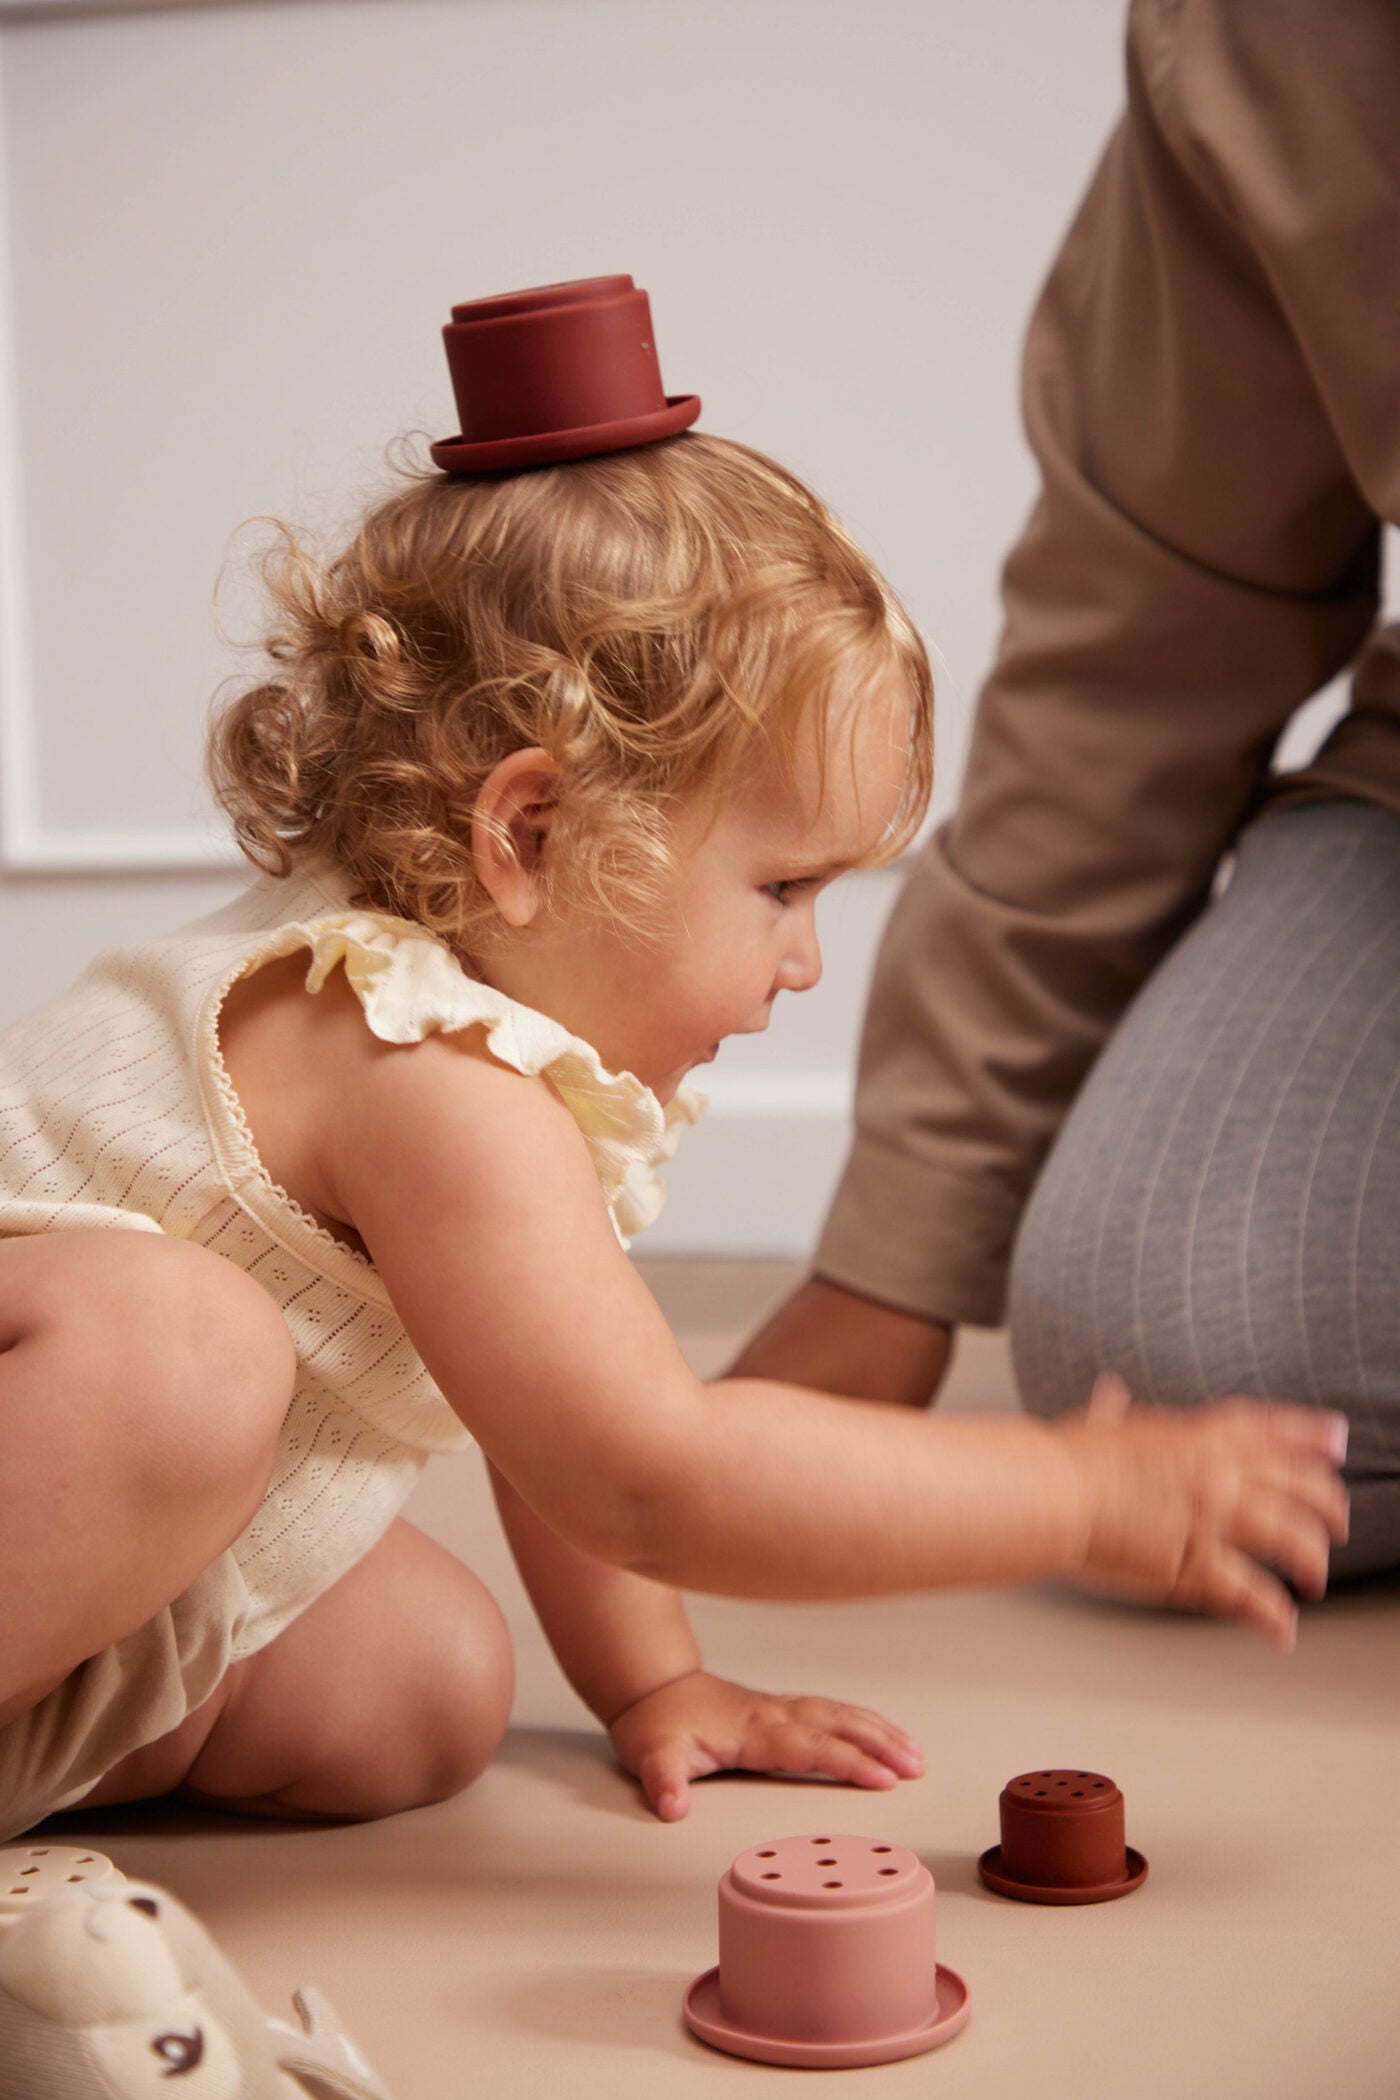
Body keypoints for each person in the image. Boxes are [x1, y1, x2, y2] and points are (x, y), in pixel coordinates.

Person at [0, 279, 1347, 1847]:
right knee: (185, 1356)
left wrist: (655, 1686)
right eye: (782, 889)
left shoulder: (505, 1068)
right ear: (534, 833)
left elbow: (560, 1417)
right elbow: (652, 1470)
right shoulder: (414, 1067)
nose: (805, 957)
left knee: (431, 1685)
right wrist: (1081, 1492)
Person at [736, 0, 1400, 1580]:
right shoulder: (1278, 41)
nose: (806, 960)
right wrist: (903, 1248)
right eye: (776, 890)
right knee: (1171, 1342)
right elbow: (1148, 637)